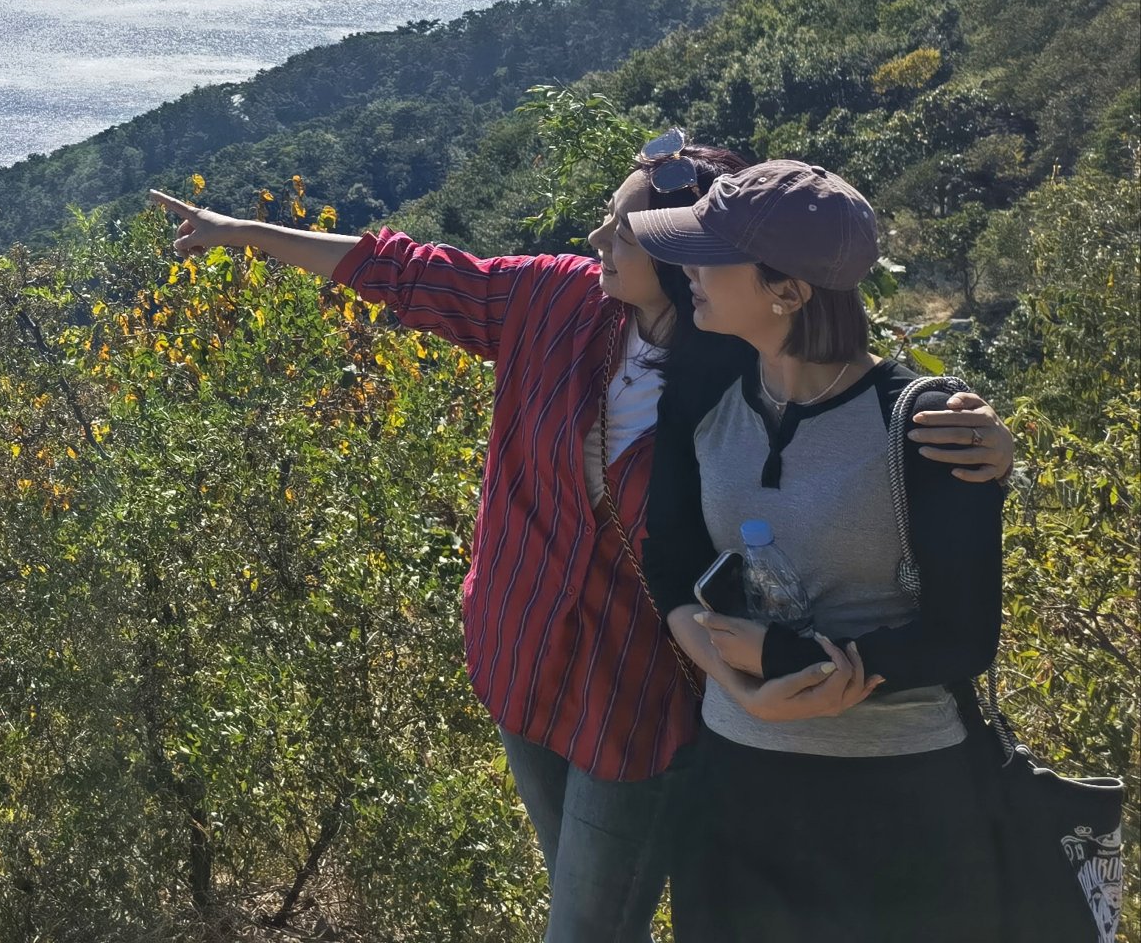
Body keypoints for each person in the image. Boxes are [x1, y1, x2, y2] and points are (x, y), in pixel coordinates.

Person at [152, 138, 1012, 943]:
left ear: (689, 260)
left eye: (625, 226)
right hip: (522, 655)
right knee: (589, 890)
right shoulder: (558, 303)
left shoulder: (727, 375)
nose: (597, 235)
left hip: (636, 697)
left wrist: (981, 441)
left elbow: (847, 396)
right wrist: (245, 234)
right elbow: (409, 273)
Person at [636, 160, 1007, 942]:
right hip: (736, 784)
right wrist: (735, 688)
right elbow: (666, 562)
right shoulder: (705, 401)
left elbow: (961, 638)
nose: (685, 272)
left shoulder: (928, 423)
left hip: (899, 799)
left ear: (788, 290)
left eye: (708, 256)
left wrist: (778, 659)